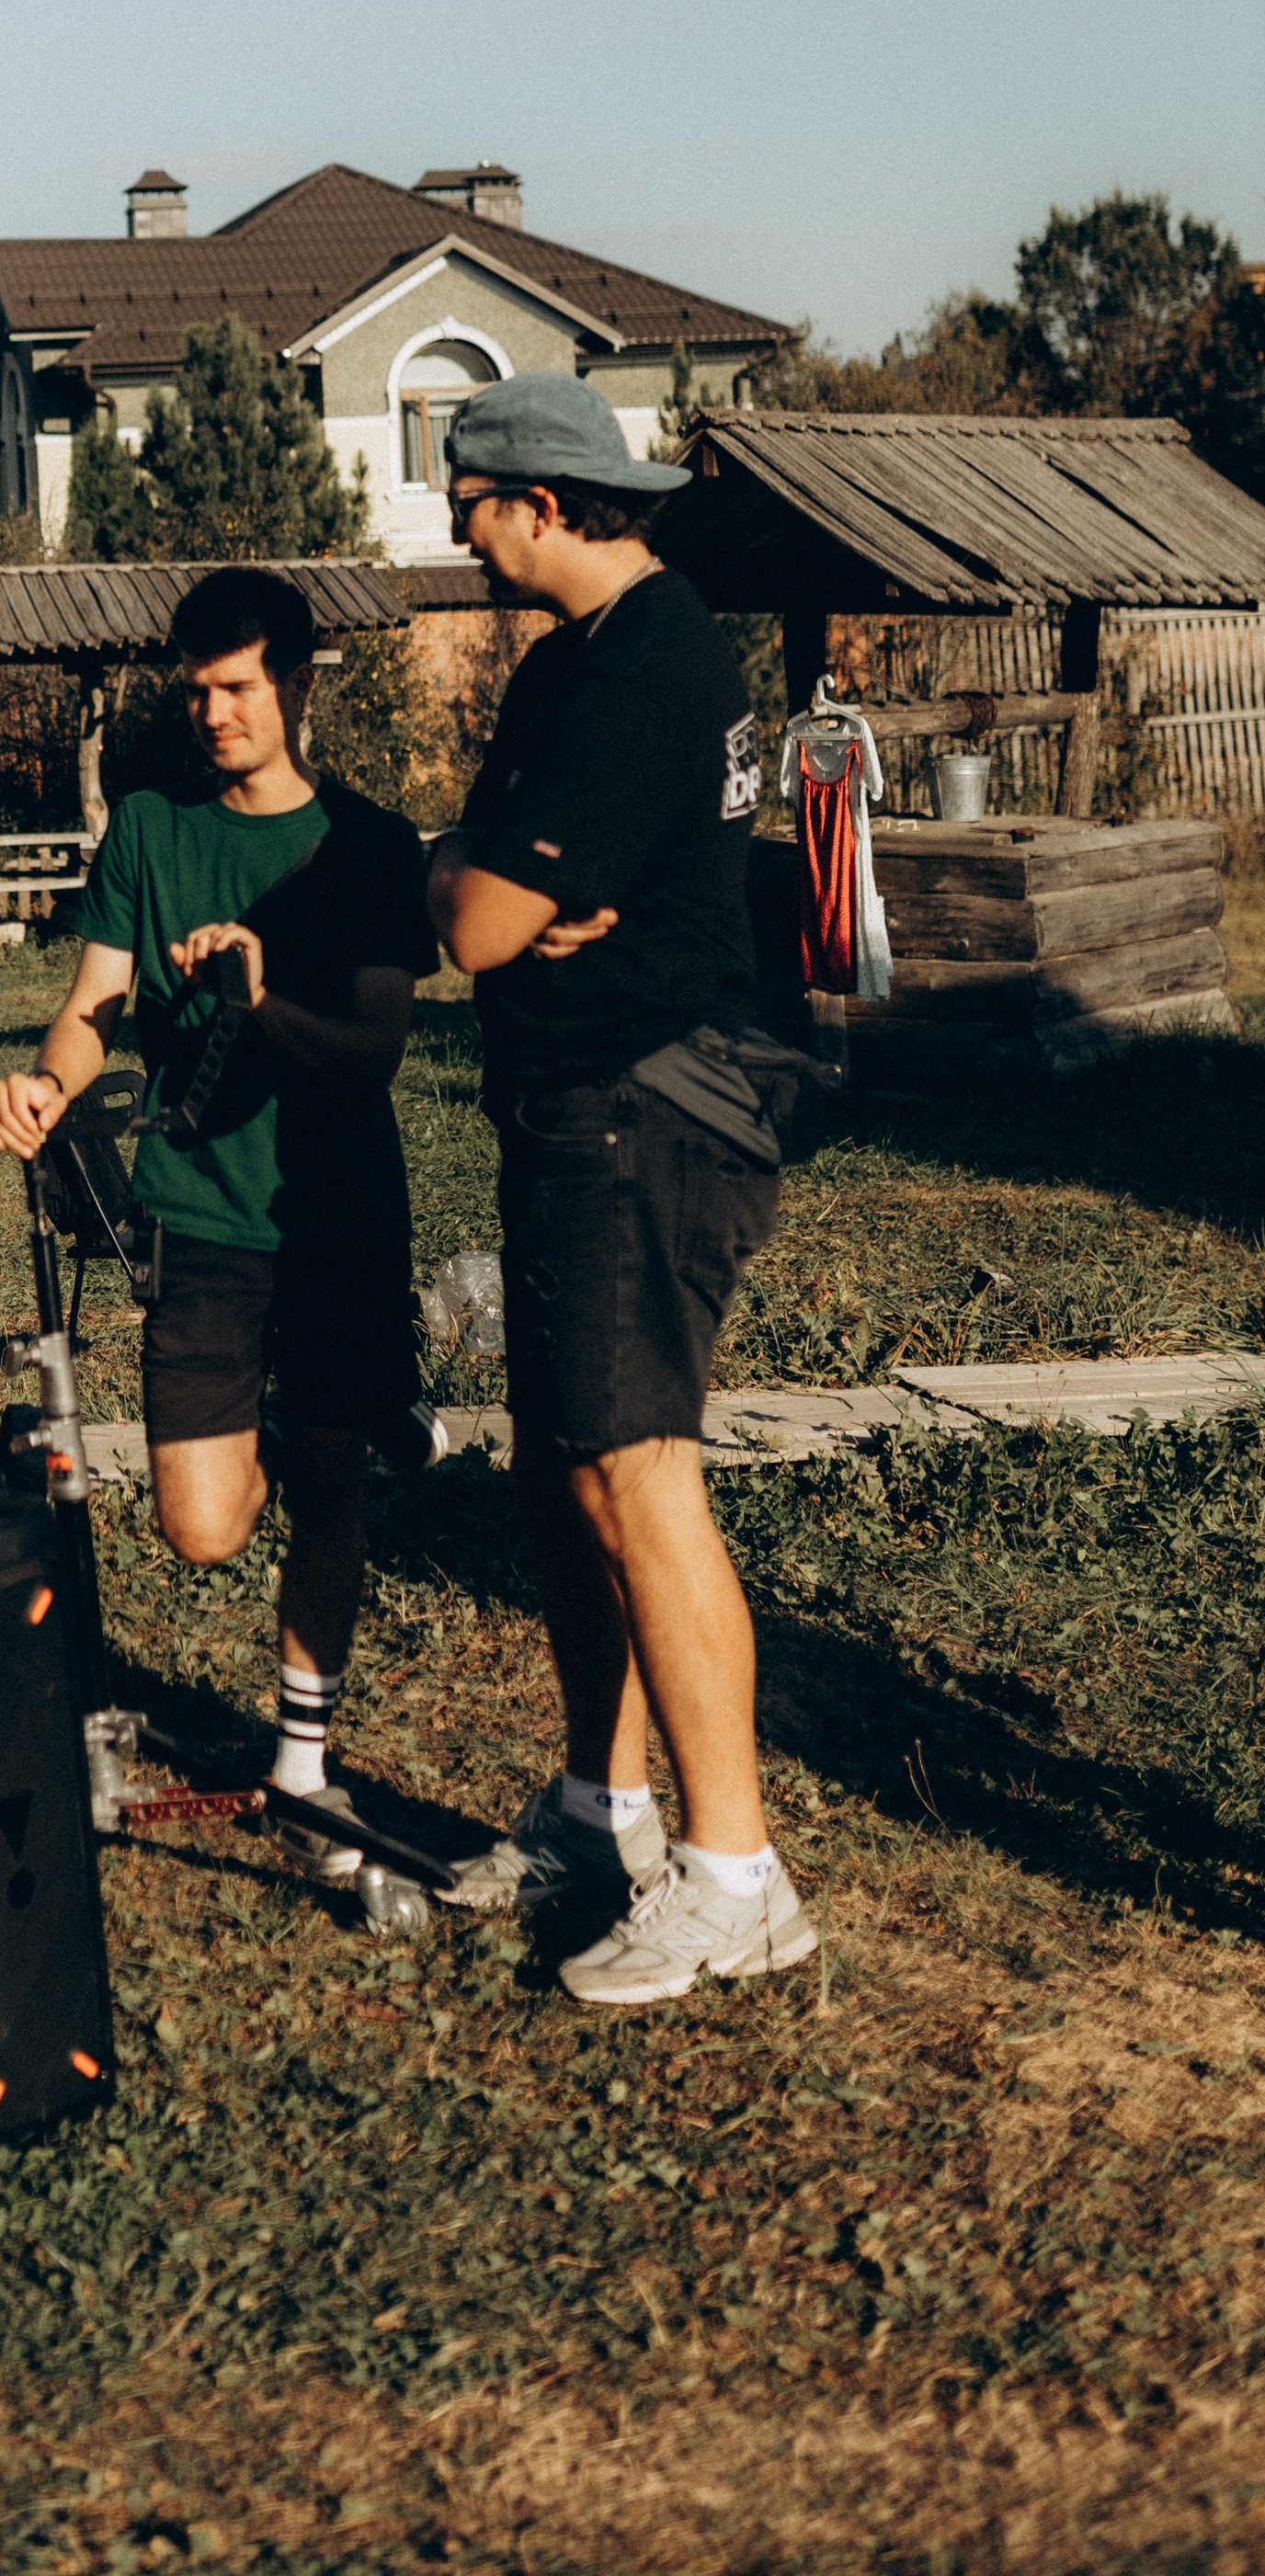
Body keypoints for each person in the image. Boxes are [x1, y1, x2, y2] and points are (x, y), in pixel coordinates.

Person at [425, 372, 813, 2005]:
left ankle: (736, 1878)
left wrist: (491, 895)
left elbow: (470, 926)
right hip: (573, 1103)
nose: (457, 526)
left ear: (541, 504)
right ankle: (606, 1809)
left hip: (641, 1118)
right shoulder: (580, 661)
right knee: (566, 1475)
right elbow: (481, 879)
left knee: (644, 1478)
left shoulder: (640, 671)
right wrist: (490, 884)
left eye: (472, 498)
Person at [0, 565, 439, 1884]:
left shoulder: (368, 847)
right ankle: (298, 1426)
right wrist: (47, 1080)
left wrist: (260, 999)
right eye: (194, 691)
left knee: (338, 1485)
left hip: (337, 1210)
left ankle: (302, 1758)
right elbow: (93, 1004)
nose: (214, 714)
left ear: (298, 685)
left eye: (237, 688)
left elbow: (371, 1055)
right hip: (199, 1215)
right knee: (202, 1527)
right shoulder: (147, 827)